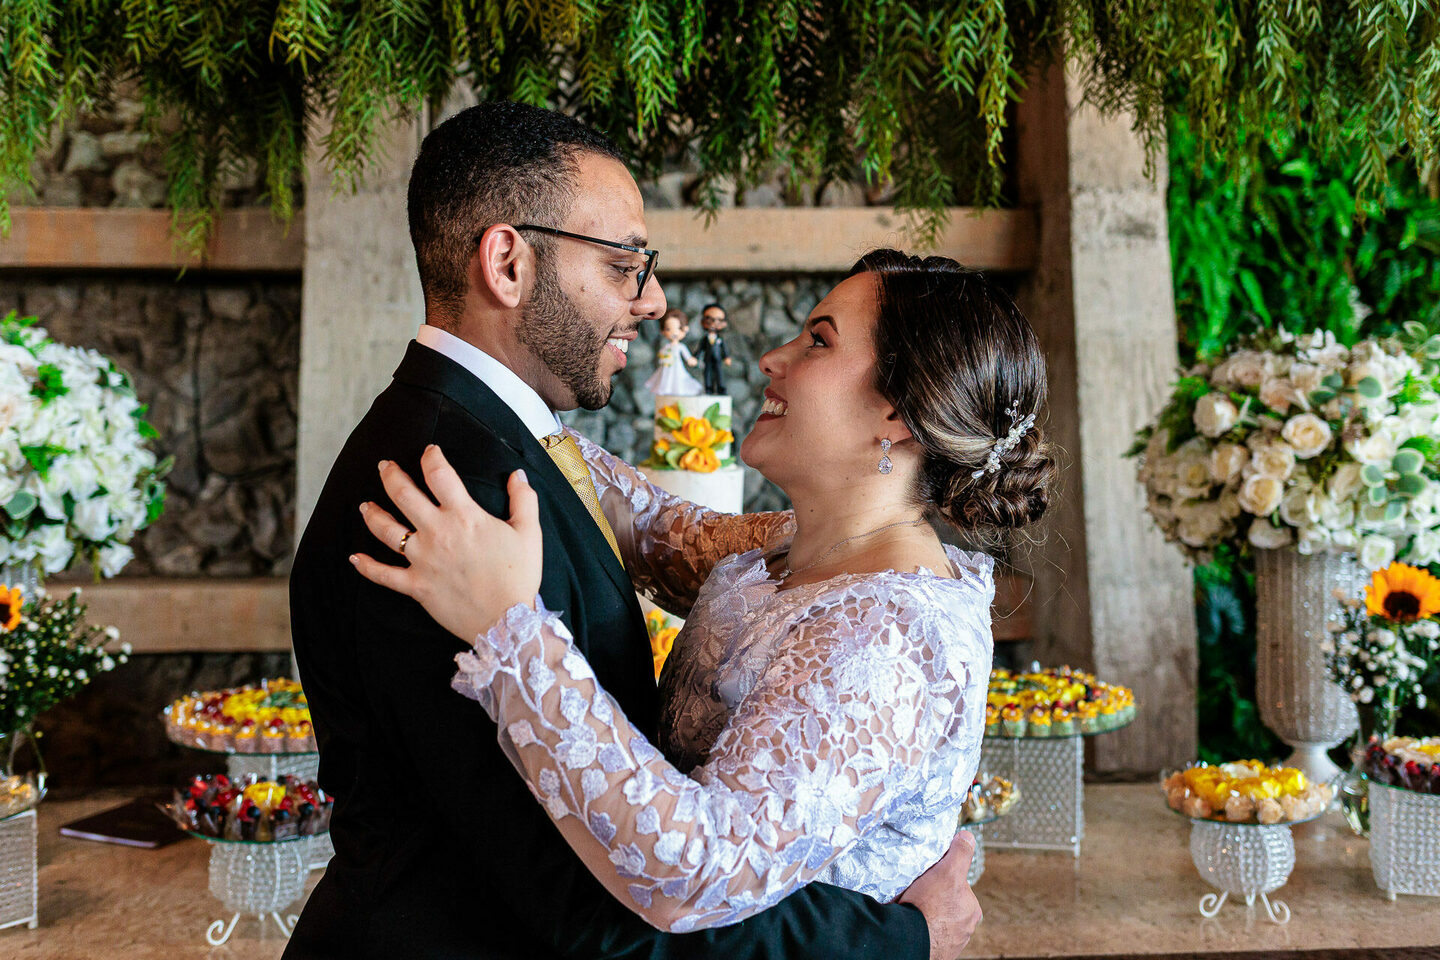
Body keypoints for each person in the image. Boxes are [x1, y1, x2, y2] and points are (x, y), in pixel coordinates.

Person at [287, 100, 979, 960]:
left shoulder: (499, 444)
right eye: (623, 266)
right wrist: (896, 939)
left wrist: (860, 531)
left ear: (900, 416)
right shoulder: (454, 492)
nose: (652, 300)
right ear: (507, 263)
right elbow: (592, 899)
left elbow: (675, 534)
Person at [351, 250, 1056, 936]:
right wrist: (503, 405)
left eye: (818, 341)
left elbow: (699, 869)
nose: (772, 358)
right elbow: (663, 530)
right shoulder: (795, 545)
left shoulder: (887, 637)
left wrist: (509, 630)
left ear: (899, 414)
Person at [643, 308, 703, 396]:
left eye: (678, 328)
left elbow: (687, 356)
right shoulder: (666, 347)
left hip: (677, 366)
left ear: (685, 329)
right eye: (668, 329)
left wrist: (690, 360)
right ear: (663, 331)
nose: (674, 332)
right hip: (667, 368)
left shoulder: (681, 347)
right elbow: (662, 354)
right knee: (666, 379)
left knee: (678, 378)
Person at [695, 302, 732, 394]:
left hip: (718, 360)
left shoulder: (720, 339)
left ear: (724, 324)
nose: (713, 323)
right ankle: (708, 389)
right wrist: (696, 357)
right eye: (709, 319)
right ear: (703, 322)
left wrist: (726, 357)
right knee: (707, 375)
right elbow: (700, 349)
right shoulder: (705, 339)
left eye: (719, 320)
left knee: (719, 374)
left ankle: (721, 388)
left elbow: (724, 349)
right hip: (707, 360)